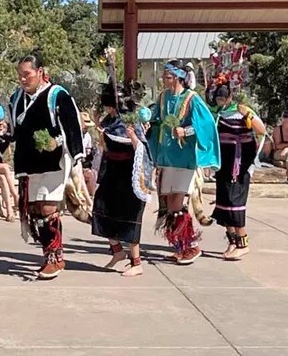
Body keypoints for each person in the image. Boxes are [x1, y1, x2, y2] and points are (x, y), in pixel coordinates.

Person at [9, 54, 84, 280]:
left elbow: (72, 127)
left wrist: (60, 144)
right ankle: (48, 254)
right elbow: (15, 133)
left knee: (48, 208)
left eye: (27, 75)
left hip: (54, 160)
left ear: (40, 72)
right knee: (35, 210)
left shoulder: (57, 95)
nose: (22, 79)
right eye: (20, 75)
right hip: (28, 162)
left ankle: (55, 257)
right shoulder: (16, 99)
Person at [147, 60, 220, 265]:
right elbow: (156, 120)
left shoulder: (192, 98)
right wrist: (148, 125)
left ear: (178, 77)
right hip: (166, 157)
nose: (164, 80)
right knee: (170, 204)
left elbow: (205, 124)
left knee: (178, 203)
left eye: (168, 77)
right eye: (164, 76)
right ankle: (180, 245)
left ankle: (191, 246)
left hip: (185, 159)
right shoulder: (162, 98)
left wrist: (186, 131)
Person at [92, 82, 153, 277]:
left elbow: (143, 149)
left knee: (130, 216)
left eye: (109, 105)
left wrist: (133, 137)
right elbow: (106, 139)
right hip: (112, 172)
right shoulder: (109, 120)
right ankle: (117, 251)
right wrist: (97, 124)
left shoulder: (130, 121)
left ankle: (137, 262)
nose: (107, 109)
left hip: (129, 174)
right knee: (101, 209)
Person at [210, 83, 266, 260]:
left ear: (230, 98)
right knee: (224, 200)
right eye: (217, 98)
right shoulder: (217, 113)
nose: (220, 102)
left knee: (235, 201)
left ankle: (243, 243)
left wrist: (247, 114)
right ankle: (232, 241)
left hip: (239, 163)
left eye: (223, 98)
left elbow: (262, 131)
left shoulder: (242, 110)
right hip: (223, 164)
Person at [80, 111, 97, 196]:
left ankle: (90, 196)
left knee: (93, 173)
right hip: (74, 164)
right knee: (89, 175)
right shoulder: (73, 135)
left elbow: (88, 150)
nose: (86, 129)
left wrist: (90, 153)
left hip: (84, 163)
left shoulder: (87, 136)